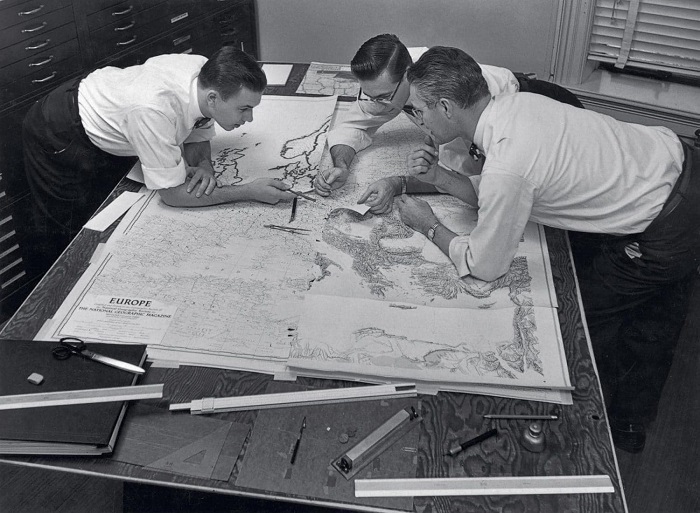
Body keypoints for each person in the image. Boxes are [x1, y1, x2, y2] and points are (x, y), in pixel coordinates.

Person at [359, 46, 700, 453]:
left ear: (446, 107)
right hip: (675, 159)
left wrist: (428, 224)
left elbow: (483, 265)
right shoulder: (515, 105)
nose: (416, 120)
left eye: (417, 110)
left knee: (578, 322)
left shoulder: (507, 161)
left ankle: (600, 428)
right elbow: (497, 188)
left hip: (671, 223)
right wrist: (440, 177)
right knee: (655, 308)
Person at [22, 46, 295, 275]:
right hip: (59, 132)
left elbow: (199, 124)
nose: (249, 118)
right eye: (244, 109)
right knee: (67, 234)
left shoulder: (206, 74)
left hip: (117, 112)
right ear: (213, 98)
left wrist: (204, 167)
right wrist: (249, 192)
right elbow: (172, 195)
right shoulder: (154, 109)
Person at [314, 33, 582, 197]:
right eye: (370, 96)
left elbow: (476, 184)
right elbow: (353, 125)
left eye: (383, 97)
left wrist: (399, 184)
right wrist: (341, 165)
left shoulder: (461, 103)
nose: (377, 104)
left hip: (543, 108)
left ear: (408, 77)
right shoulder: (388, 80)